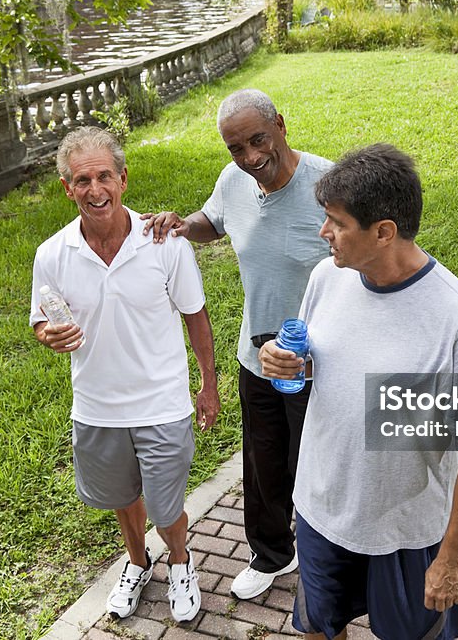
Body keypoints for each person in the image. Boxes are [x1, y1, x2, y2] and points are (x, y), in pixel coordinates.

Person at [259, 144, 458, 640]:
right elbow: (317, 362)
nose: (323, 233)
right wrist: (287, 362)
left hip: (405, 530)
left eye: (336, 222)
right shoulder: (327, 277)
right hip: (321, 507)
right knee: (319, 628)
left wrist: (451, 560)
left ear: (384, 232)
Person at [142, 89, 332, 600]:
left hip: (319, 364)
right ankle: (272, 554)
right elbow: (213, 223)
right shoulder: (234, 181)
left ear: (281, 126)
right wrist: (182, 226)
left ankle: (326, 562)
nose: (250, 157)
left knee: (316, 465)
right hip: (257, 357)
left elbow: (367, 265)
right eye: (236, 148)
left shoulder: (329, 186)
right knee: (263, 463)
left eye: (257, 141)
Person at [30, 127, 220, 623]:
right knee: (121, 498)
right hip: (96, 406)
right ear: (67, 188)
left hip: (162, 403)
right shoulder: (53, 253)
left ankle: (180, 560)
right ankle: (138, 563)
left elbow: (195, 315)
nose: (95, 190)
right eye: (82, 180)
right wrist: (48, 335)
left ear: (123, 179)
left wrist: (209, 384)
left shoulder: (164, 241)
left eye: (104, 176)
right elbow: (41, 320)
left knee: (164, 506)